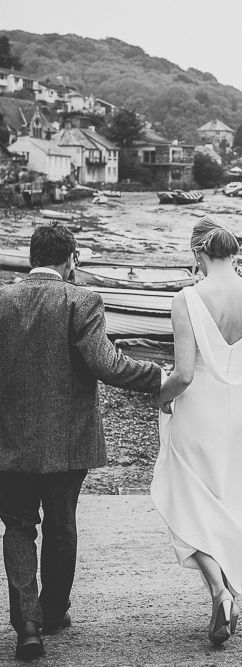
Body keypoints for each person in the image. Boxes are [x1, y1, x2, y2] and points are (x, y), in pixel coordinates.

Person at [0, 222, 162, 661]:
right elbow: (107, 364)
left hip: (8, 440)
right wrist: (162, 377)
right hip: (69, 441)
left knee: (17, 527)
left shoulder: (2, 298)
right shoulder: (82, 300)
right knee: (60, 525)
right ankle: (53, 614)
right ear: (70, 260)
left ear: (33, 257)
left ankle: (27, 625)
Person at [151, 216, 242, 646]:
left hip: (199, 410)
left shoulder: (187, 299)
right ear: (235, 252)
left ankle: (219, 590)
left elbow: (185, 374)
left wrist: (158, 395)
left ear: (197, 254)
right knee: (232, 505)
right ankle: (225, 597)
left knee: (188, 499)